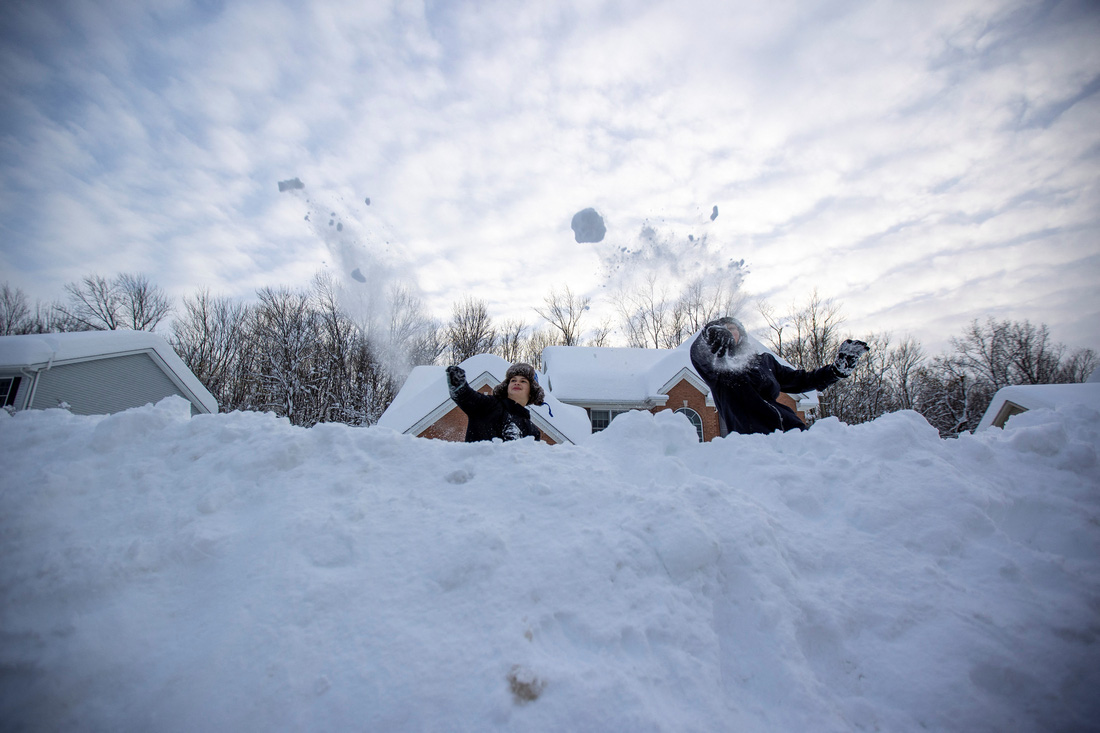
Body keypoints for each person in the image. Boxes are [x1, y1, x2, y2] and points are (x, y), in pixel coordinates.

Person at [690, 316, 869, 436]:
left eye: (731, 328)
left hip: (793, 432)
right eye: (722, 330)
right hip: (755, 440)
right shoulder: (716, 369)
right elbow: (697, 354)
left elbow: (801, 380)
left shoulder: (764, 361)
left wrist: (835, 371)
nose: (728, 332)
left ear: (741, 334)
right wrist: (707, 333)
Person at [445, 362, 545, 442]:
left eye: (523, 381)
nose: (517, 382)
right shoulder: (489, 405)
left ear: (532, 391)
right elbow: (467, 397)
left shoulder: (533, 431)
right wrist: (459, 386)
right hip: (477, 466)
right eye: (513, 380)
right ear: (506, 387)